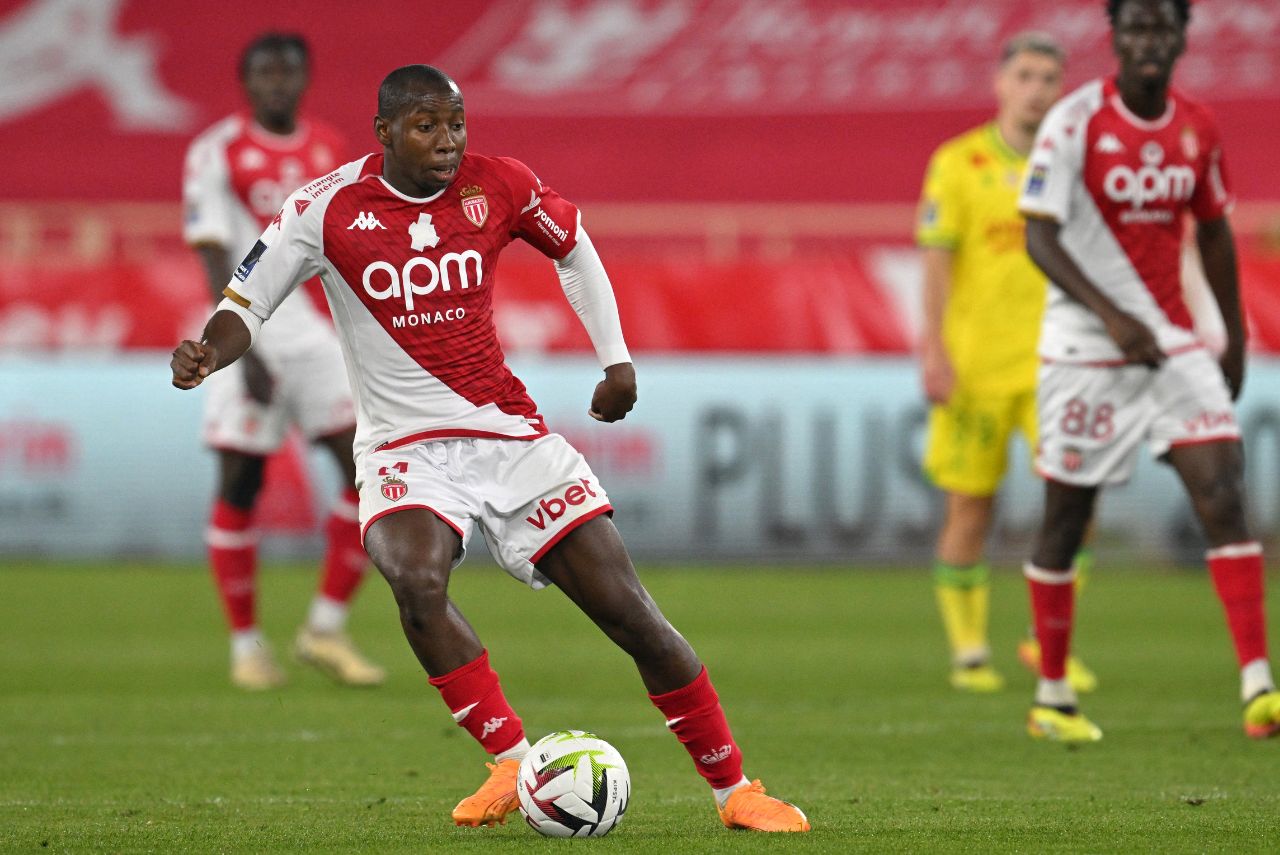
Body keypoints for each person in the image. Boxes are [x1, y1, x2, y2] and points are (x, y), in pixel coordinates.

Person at [171, 64, 810, 832]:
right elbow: (247, 300)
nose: (446, 142)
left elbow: (573, 247)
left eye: (455, 124)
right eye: (426, 126)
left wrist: (615, 358)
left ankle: (735, 790)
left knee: (629, 613)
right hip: (403, 445)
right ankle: (511, 760)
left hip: (509, 437)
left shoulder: (499, 184)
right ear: (384, 132)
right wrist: (210, 349)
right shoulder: (323, 207)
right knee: (414, 578)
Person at [1017, 0, 1280, 742]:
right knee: (1065, 518)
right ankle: (1052, 693)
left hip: (1170, 344)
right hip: (1083, 351)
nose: (1148, 42)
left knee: (1224, 490)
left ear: (1180, 39)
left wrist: (1229, 334)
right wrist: (1110, 316)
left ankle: (1259, 685)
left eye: (1162, 29)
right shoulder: (1073, 123)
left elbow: (1218, 228)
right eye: (1135, 29)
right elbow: (1038, 236)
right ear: (1116, 39)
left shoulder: (1198, 125)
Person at [182, 33, 384, 690]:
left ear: (304, 79)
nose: (277, 83)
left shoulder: (328, 150)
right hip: (245, 333)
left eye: (288, 72)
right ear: (246, 81)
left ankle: (324, 629)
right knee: (241, 483)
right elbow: (214, 252)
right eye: (265, 72)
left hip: (318, 340)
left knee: (367, 468)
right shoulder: (216, 151)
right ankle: (246, 645)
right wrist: (242, 346)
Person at [917, 32, 1097, 694]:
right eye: (1025, 75)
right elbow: (935, 264)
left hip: (1062, 364)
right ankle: (969, 651)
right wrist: (933, 349)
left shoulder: (1074, 162)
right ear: (1000, 84)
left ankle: (1040, 638)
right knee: (971, 506)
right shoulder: (958, 163)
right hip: (978, 366)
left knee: (1077, 501)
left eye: (1049, 77)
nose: (1037, 88)